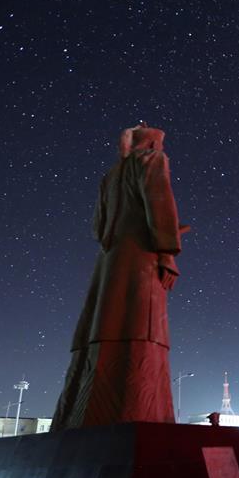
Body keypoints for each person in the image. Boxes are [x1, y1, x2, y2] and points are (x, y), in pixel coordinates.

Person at [51, 124, 187, 430]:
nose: (162, 149)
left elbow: (98, 229)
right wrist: (167, 252)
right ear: (151, 143)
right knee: (140, 326)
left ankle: (81, 413)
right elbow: (160, 205)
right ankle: (137, 411)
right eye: (159, 143)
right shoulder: (151, 161)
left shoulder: (110, 176)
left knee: (104, 325)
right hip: (140, 261)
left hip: (110, 264)